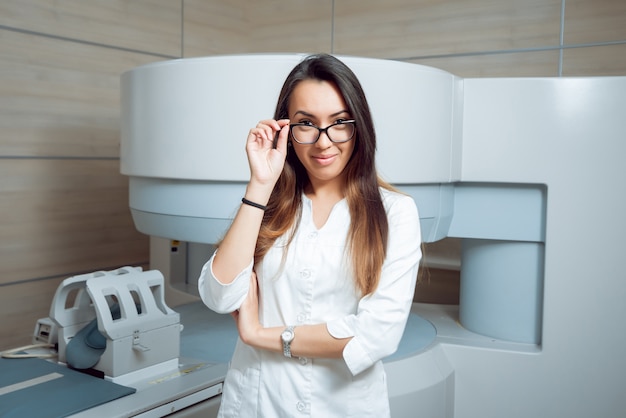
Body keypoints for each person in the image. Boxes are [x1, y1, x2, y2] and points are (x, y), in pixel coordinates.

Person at [198, 53, 422, 418]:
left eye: (339, 123)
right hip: (257, 405)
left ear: (359, 126)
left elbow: (375, 335)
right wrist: (259, 183)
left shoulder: (395, 213)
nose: (323, 142)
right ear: (285, 129)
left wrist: (258, 335)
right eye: (306, 123)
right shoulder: (264, 204)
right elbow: (219, 295)